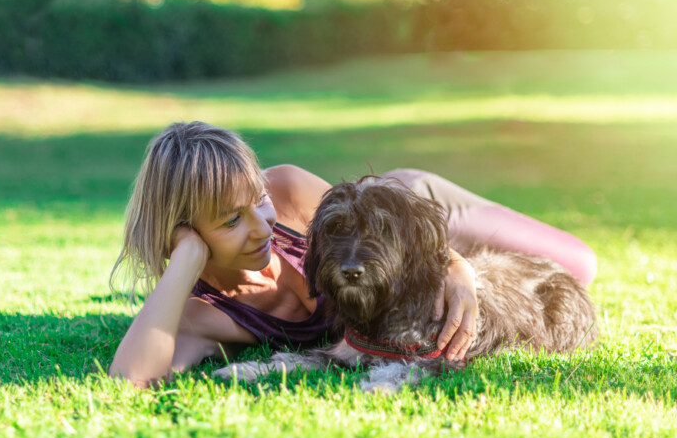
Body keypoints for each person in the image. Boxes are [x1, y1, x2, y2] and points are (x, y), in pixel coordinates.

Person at [108, 121, 597, 389]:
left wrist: (458, 268)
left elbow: (386, 225)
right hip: (387, 282)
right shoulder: (201, 315)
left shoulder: (289, 189)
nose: (264, 225)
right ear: (186, 235)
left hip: (413, 205)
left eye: (256, 197)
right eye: (231, 221)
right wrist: (186, 262)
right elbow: (132, 379)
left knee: (580, 266)